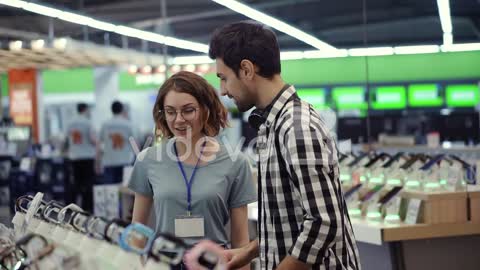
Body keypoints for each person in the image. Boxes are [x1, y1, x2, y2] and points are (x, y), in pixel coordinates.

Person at [187, 21, 361, 270]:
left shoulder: (296, 127)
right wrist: (249, 251)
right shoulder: (273, 124)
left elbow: (324, 223)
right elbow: (291, 219)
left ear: (246, 69)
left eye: (224, 79)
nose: (223, 91)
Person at [128, 71, 257, 269]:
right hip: (164, 262)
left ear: (206, 110)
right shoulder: (148, 160)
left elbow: (240, 242)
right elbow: (138, 232)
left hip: (213, 263)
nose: (178, 120)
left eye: (188, 110)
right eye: (170, 112)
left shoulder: (235, 163)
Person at [65, 103, 96, 212]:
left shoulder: (70, 123)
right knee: (88, 183)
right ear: (85, 110)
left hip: (74, 157)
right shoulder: (88, 122)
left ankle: (72, 207)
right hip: (87, 157)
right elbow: (92, 139)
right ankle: (86, 207)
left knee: (75, 183)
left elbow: (66, 139)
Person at [98, 101, 135, 184]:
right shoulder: (128, 124)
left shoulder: (105, 124)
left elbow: (99, 144)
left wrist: (97, 162)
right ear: (122, 110)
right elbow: (134, 144)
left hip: (109, 162)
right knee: (125, 191)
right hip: (125, 162)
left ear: (111, 110)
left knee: (111, 192)